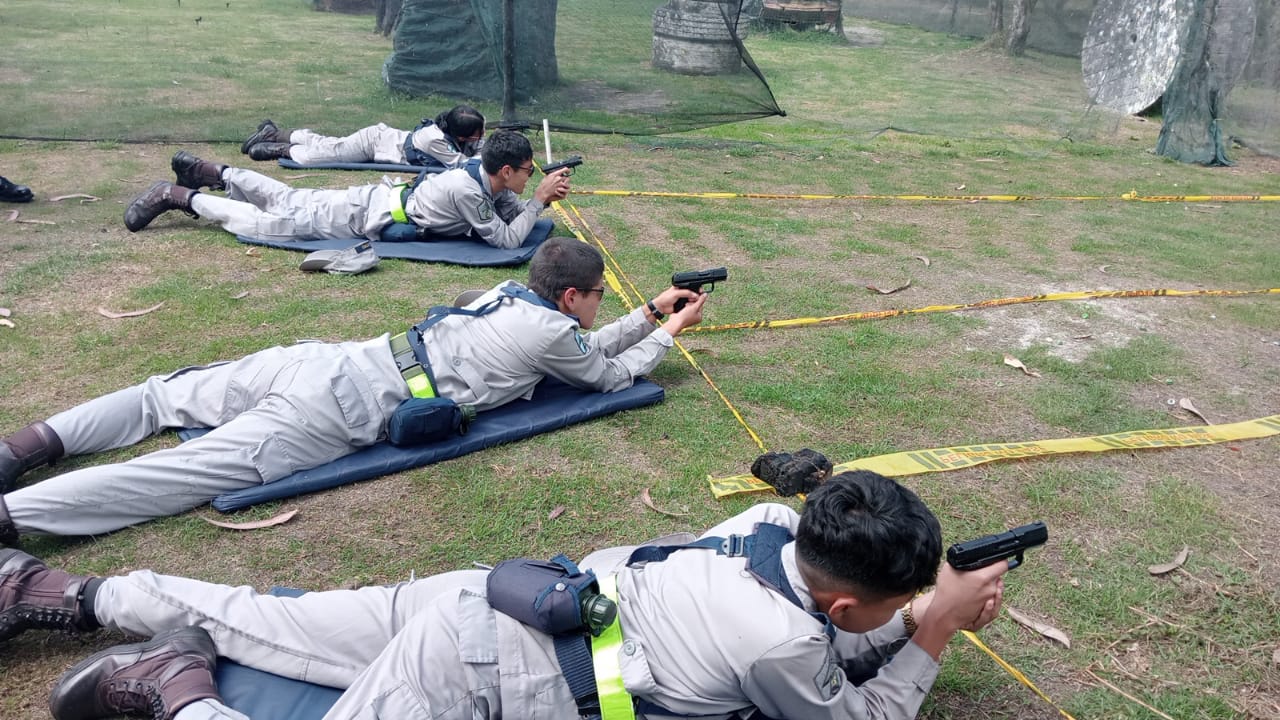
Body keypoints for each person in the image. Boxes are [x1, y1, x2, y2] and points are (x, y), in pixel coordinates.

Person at [0, 471, 1011, 720]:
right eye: (880, 607)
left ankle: (62, 588)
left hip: (506, 595)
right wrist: (931, 636)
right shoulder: (784, 649)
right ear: (841, 607)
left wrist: (910, 616)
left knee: (264, 612)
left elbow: (836, 639)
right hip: (480, 668)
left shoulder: (761, 533)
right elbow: (852, 705)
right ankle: (176, 689)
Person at [0, 237, 708, 543]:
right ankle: (14, 516)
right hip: (340, 408)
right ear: (574, 296)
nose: (598, 307)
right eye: (599, 298)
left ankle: (26, 447)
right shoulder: (554, 336)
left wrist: (649, 311)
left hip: (328, 361)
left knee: (161, 395)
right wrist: (668, 335)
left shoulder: (509, 295)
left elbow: (583, 342)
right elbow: (608, 371)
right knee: (175, 475)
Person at [123, 129, 569, 250]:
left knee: (290, 198)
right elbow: (507, 237)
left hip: (374, 200)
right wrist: (537, 201)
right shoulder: (469, 191)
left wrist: (533, 197)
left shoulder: (480, 170)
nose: (532, 176)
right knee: (269, 224)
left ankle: (212, 170)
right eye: (528, 171)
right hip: (365, 217)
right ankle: (178, 195)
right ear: (506, 169)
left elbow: (509, 206)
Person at [240, 105, 486, 170]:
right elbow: (461, 165)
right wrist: (486, 152)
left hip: (380, 138)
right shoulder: (436, 140)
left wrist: (481, 145)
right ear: (461, 135)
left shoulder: (452, 133)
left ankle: (276, 133)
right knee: (320, 157)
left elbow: (472, 147)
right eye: (478, 133)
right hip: (374, 143)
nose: (482, 135)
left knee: (330, 144)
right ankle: (280, 149)